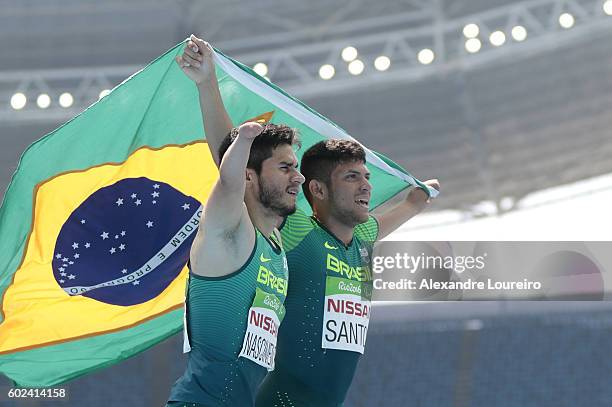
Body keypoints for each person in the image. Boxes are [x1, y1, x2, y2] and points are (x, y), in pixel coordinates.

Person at [175, 35, 439, 407]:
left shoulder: (359, 240)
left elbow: (387, 218)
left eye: (367, 178)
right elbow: (235, 171)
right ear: (318, 190)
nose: (366, 186)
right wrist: (209, 86)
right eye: (352, 177)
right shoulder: (296, 230)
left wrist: (416, 200)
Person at [166, 37, 305, 406]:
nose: (300, 177)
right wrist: (210, 89)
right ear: (250, 175)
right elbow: (229, 177)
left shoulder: (275, 242)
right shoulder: (227, 234)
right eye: (286, 167)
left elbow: (235, 169)